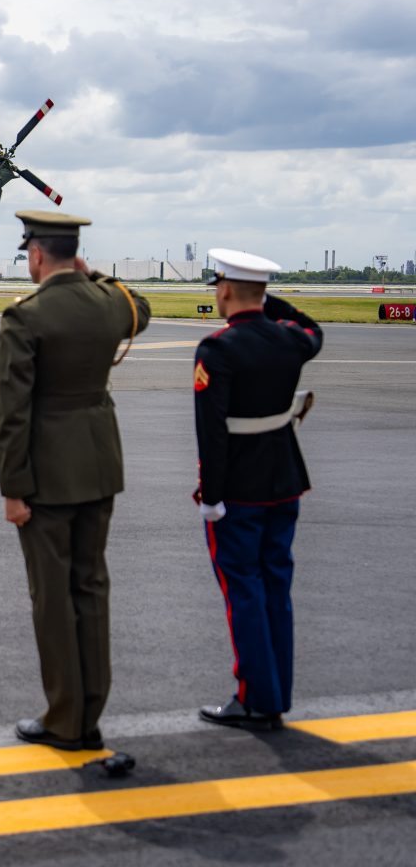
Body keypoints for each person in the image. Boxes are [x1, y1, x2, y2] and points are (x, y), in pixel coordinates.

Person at [0, 210, 151, 751]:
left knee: (53, 599)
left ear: (36, 255)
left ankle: (66, 719)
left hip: (47, 478)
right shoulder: (108, 304)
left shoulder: (26, 316)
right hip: (100, 465)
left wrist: (13, 488)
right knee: (91, 588)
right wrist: (98, 277)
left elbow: (12, 413)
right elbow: (142, 309)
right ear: (75, 254)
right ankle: (91, 711)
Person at [194, 248, 322, 731]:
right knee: (276, 589)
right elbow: (313, 329)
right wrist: (271, 302)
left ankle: (254, 697)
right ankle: (276, 693)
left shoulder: (218, 349)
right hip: (284, 481)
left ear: (224, 289)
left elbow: (212, 431)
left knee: (243, 591)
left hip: (239, 490)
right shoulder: (291, 341)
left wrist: (210, 496)